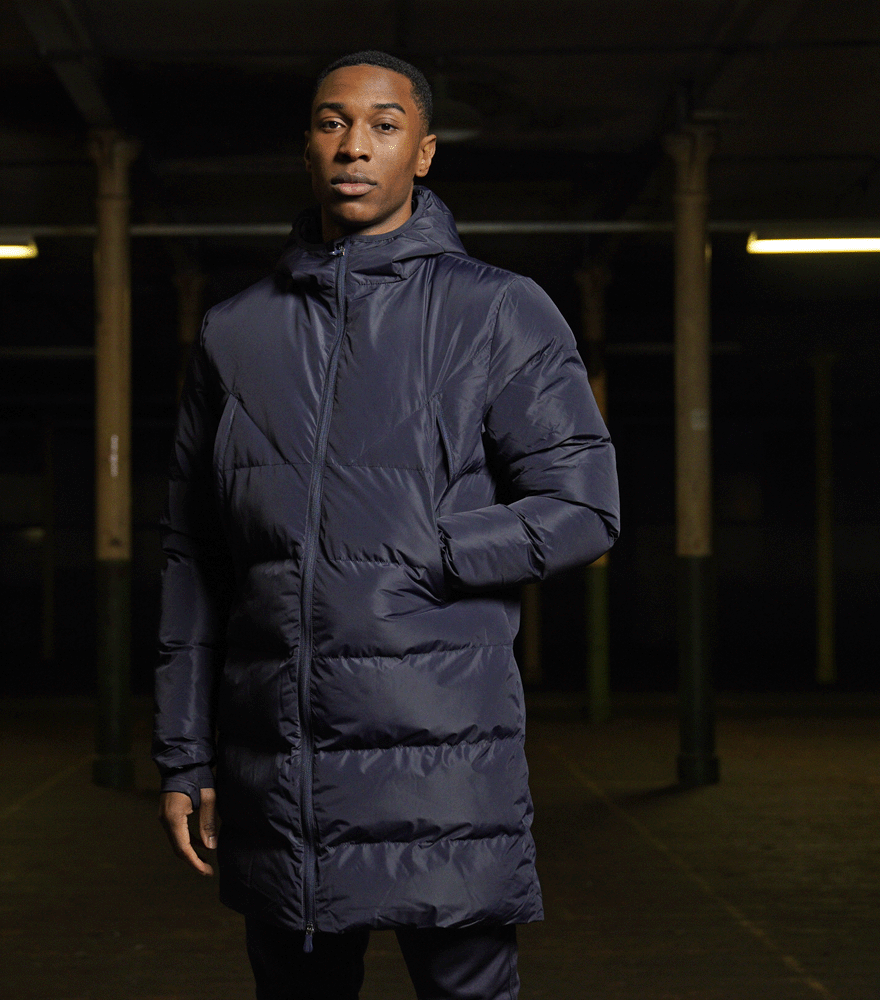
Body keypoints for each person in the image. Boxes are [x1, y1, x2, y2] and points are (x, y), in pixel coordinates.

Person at [153, 50, 619, 1000]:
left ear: (424, 152)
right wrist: (184, 751)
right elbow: (193, 556)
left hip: (441, 762)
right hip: (279, 769)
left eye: (383, 125)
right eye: (333, 123)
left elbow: (584, 508)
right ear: (308, 147)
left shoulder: (498, 311)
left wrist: (427, 551)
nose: (354, 146)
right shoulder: (235, 331)